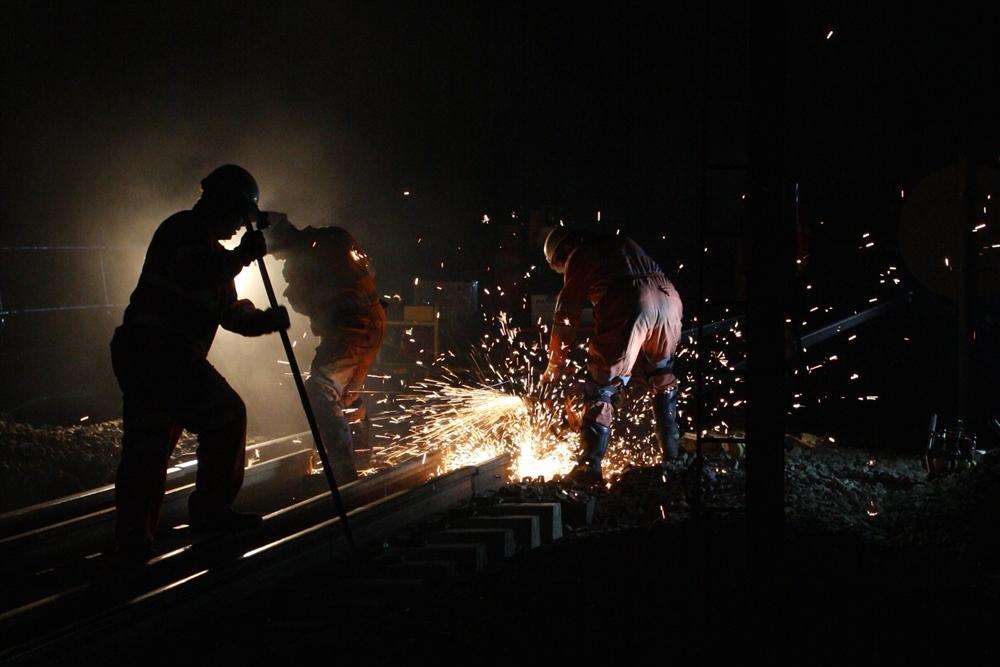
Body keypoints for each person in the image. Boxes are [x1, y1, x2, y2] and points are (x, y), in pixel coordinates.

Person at [110, 164, 289, 561]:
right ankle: (208, 514)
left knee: (150, 449)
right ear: (222, 203)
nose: (240, 228)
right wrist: (243, 255)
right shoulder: (182, 232)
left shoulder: (214, 253)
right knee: (224, 415)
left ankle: (134, 541)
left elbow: (231, 315)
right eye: (239, 218)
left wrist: (267, 321)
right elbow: (194, 274)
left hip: (159, 358)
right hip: (156, 352)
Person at [540, 226, 684, 484]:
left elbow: (566, 312)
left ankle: (589, 468)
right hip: (669, 299)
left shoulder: (579, 254)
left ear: (562, 253)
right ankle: (673, 458)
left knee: (601, 387)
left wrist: (555, 363)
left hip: (629, 300)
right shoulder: (619, 242)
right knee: (662, 377)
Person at [262, 214, 386, 481]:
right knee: (346, 393)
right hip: (374, 318)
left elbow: (306, 303)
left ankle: (343, 469)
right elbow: (367, 270)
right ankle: (362, 456)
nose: (277, 259)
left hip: (350, 327)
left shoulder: (298, 264)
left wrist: (292, 293)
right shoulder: (333, 235)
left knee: (321, 388)